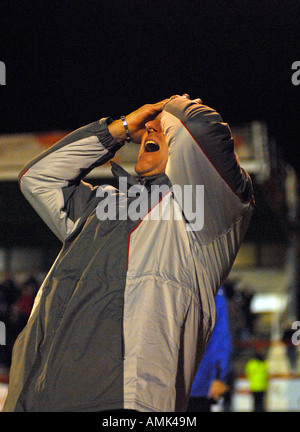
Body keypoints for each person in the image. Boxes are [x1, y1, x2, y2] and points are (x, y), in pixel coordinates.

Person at [3, 94, 254, 412]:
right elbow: (38, 179)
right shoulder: (103, 204)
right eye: (150, 125)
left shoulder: (203, 211)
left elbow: (197, 128)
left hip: (122, 403)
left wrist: (168, 106)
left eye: (162, 128)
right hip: (33, 397)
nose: (150, 127)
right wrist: (119, 129)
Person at [187, 286, 232, 412]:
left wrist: (218, 376)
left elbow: (219, 334)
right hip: (164, 385)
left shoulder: (211, 287)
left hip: (197, 384)